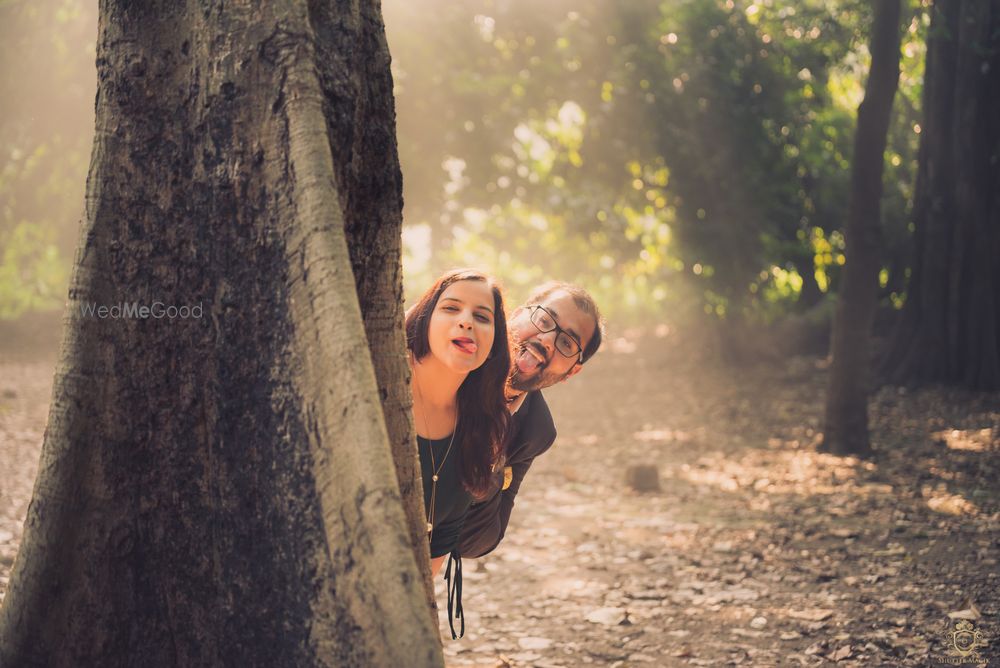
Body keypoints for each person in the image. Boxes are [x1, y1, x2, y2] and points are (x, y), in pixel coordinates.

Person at [457, 281, 603, 559]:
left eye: (566, 343)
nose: (547, 339)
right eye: (544, 319)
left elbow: (478, 542)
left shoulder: (536, 430)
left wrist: (490, 461)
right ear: (515, 315)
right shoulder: (457, 345)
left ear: (571, 372)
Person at [404, 269, 511, 637]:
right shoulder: (384, 377)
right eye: (451, 308)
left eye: (482, 317)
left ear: (494, 342)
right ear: (425, 318)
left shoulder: (480, 430)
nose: (466, 322)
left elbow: (436, 551)